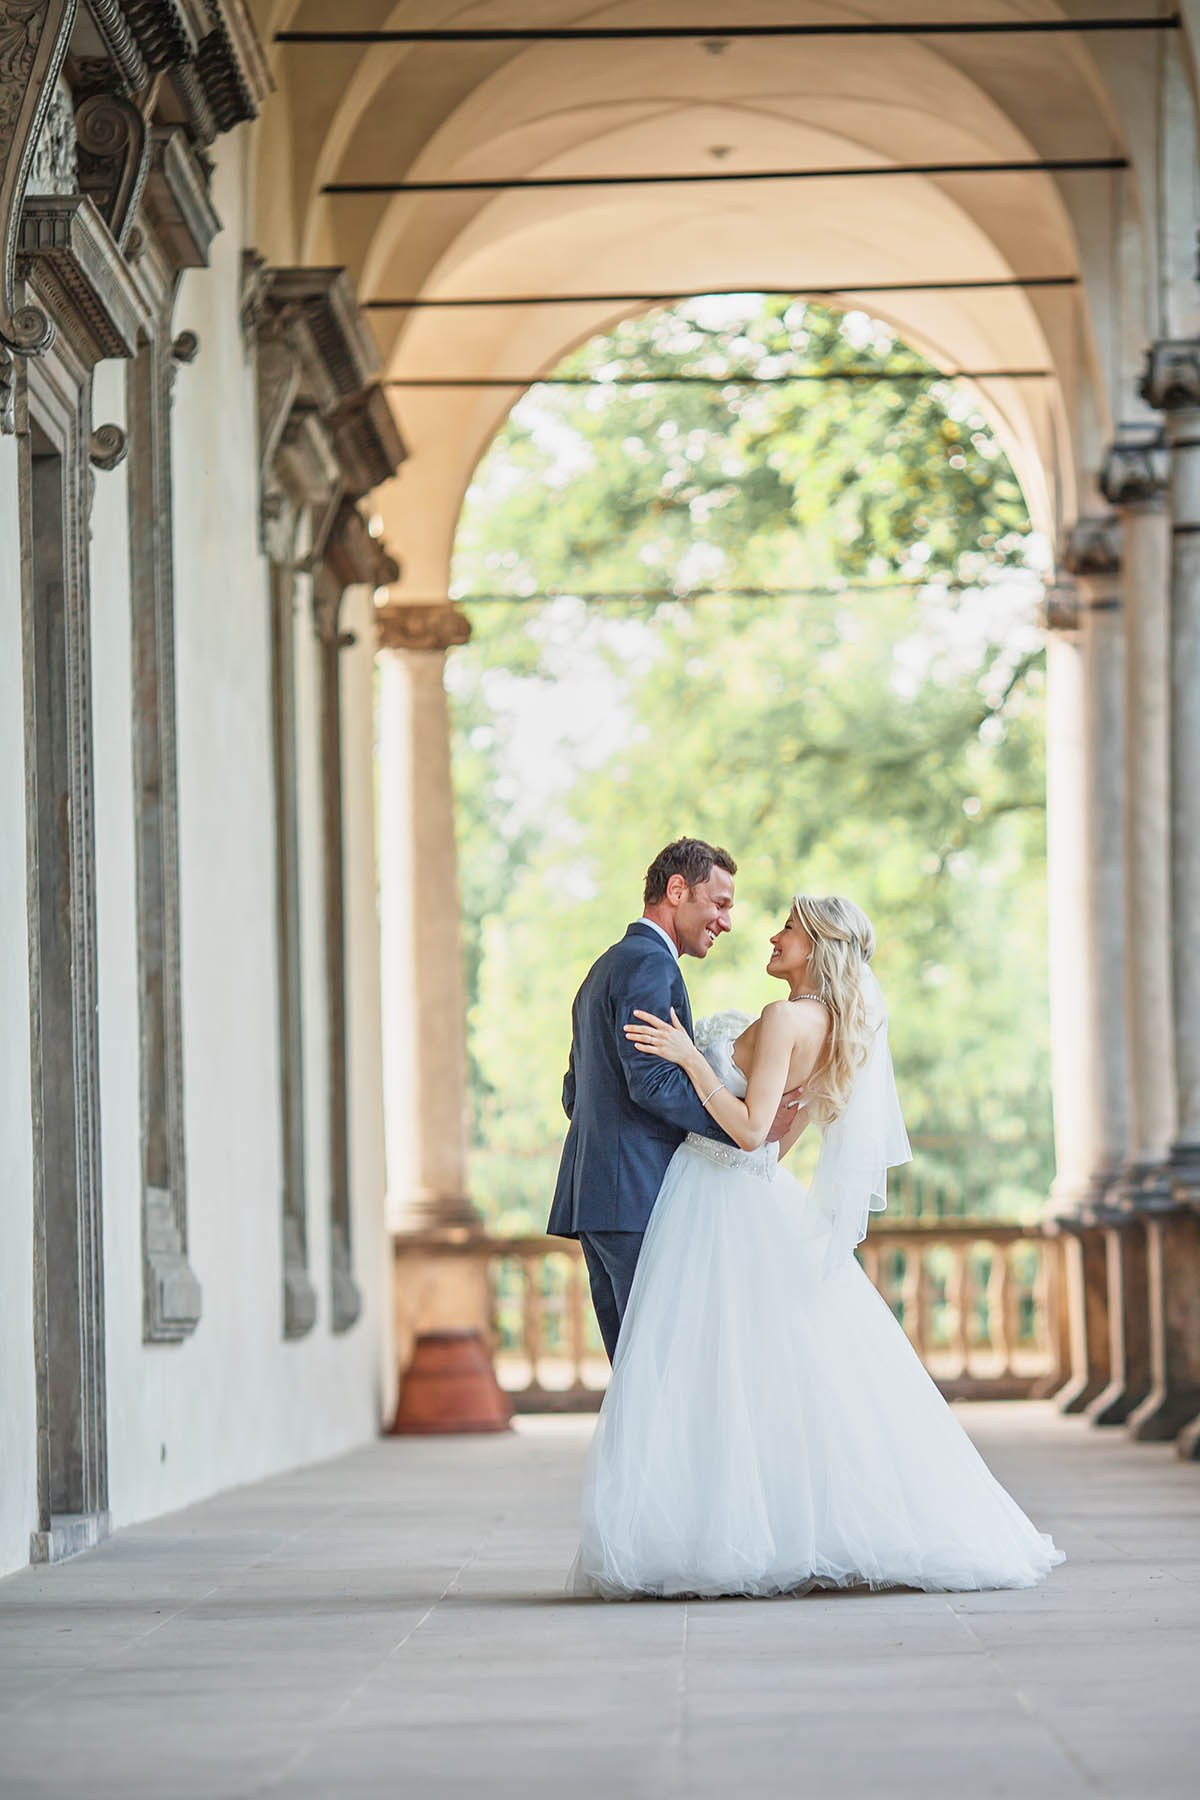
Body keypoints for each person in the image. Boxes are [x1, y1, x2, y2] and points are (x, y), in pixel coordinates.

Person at [571, 893, 1065, 1598]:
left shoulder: (781, 1018)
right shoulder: (835, 1030)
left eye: (790, 930)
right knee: (754, 1369)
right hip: (752, 1192)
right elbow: (777, 1141)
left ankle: (714, 1531)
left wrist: (688, 1056)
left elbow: (746, 1131)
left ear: (819, 946)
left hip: (714, 1197)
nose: (772, 937)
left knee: (707, 1367)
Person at [548, 838, 800, 1364]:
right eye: (721, 903)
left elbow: (575, 1092)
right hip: (637, 1199)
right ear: (677, 889)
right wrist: (743, 1128)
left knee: (637, 1381)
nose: (726, 922)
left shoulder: (606, 967)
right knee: (663, 1372)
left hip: (599, 1197)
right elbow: (652, 1084)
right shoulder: (649, 966)